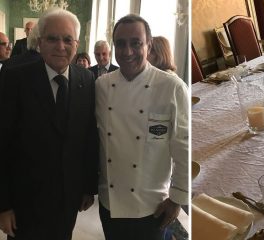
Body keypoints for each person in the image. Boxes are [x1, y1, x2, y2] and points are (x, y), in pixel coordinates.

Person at [0, 7, 98, 240]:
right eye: (52, 38)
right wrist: (3, 206)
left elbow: (88, 136)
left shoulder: (86, 79)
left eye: (67, 39)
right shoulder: (14, 78)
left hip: (68, 198)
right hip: (24, 200)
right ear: (39, 42)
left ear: (76, 43)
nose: (60, 46)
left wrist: (88, 187)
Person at [95, 14, 188, 240]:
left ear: (149, 44)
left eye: (136, 43)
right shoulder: (102, 85)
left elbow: (183, 146)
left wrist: (177, 199)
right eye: (120, 44)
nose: (127, 52)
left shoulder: (171, 86)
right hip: (110, 204)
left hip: (152, 206)